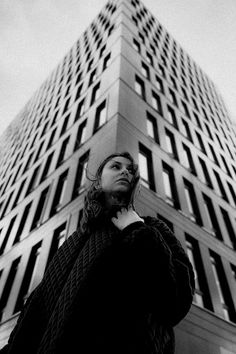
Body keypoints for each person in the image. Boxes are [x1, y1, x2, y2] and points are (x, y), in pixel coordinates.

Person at [0, 151, 195, 354]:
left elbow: (178, 300)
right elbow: (38, 310)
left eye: (130, 170)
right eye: (116, 166)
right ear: (98, 181)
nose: (125, 172)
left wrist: (137, 230)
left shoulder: (151, 228)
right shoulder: (73, 242)